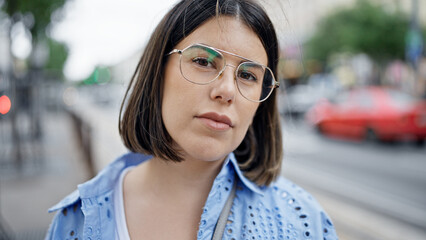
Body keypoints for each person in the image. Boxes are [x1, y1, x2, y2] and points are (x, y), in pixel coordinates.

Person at [45, 0, 338, 239]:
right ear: (157, 73)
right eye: (203, 62)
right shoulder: (77, 221)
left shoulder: (302, 223)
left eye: (248, 75)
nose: (226, 91)